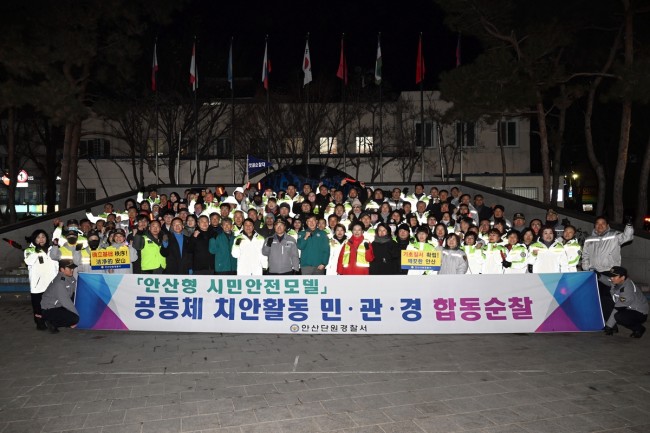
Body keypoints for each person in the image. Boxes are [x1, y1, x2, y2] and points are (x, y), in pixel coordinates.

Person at [24, 229, 58, 330]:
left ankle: (51, 322)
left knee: (52, 304)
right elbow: (28, 261)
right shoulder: (29, 250)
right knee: (38, 306)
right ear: (34, 239)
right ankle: (40, 323)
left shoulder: (51, 249)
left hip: (51, 283)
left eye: (43, 237)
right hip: (37, 285)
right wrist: (37, 250)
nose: (41, 239)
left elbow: (56, 263)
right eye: (38, 237)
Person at [601, 266, 648, 338]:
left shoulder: (627, 289)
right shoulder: (618, 281)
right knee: (605, 300)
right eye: (611, 276)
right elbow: (608, 281)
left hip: (639, 312)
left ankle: (639, 329)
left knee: (619, 317)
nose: (611, 278)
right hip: (627, 308)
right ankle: (613, 327)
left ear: (622, 277)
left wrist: (608, 326)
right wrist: (598, 276)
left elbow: (618, 308)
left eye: (614, 276)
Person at [40, 259, 79, 334]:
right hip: (50, 309)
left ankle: (58, 319)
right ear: (62, 269)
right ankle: (51, 322)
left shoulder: (70, 278)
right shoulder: (59, 283)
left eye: (72, 268)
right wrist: (77, 315)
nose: (72, 270)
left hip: (59, 305)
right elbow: (66, 301)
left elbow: (76, 291)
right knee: (75, 318)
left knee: (78, 307)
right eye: (70, 268)